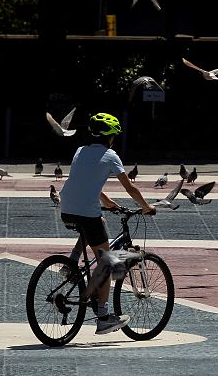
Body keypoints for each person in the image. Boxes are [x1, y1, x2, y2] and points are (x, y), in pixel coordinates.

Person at [59, 112, 156, 334]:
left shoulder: (80, 151)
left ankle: (70, 264)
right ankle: (103, 317)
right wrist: (146, 207)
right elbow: (130, 187)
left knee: (96, 221)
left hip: (67, 208)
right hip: (85, 211)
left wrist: (108, 202)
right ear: (110, 137)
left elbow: (85, 183)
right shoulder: (111, 155)